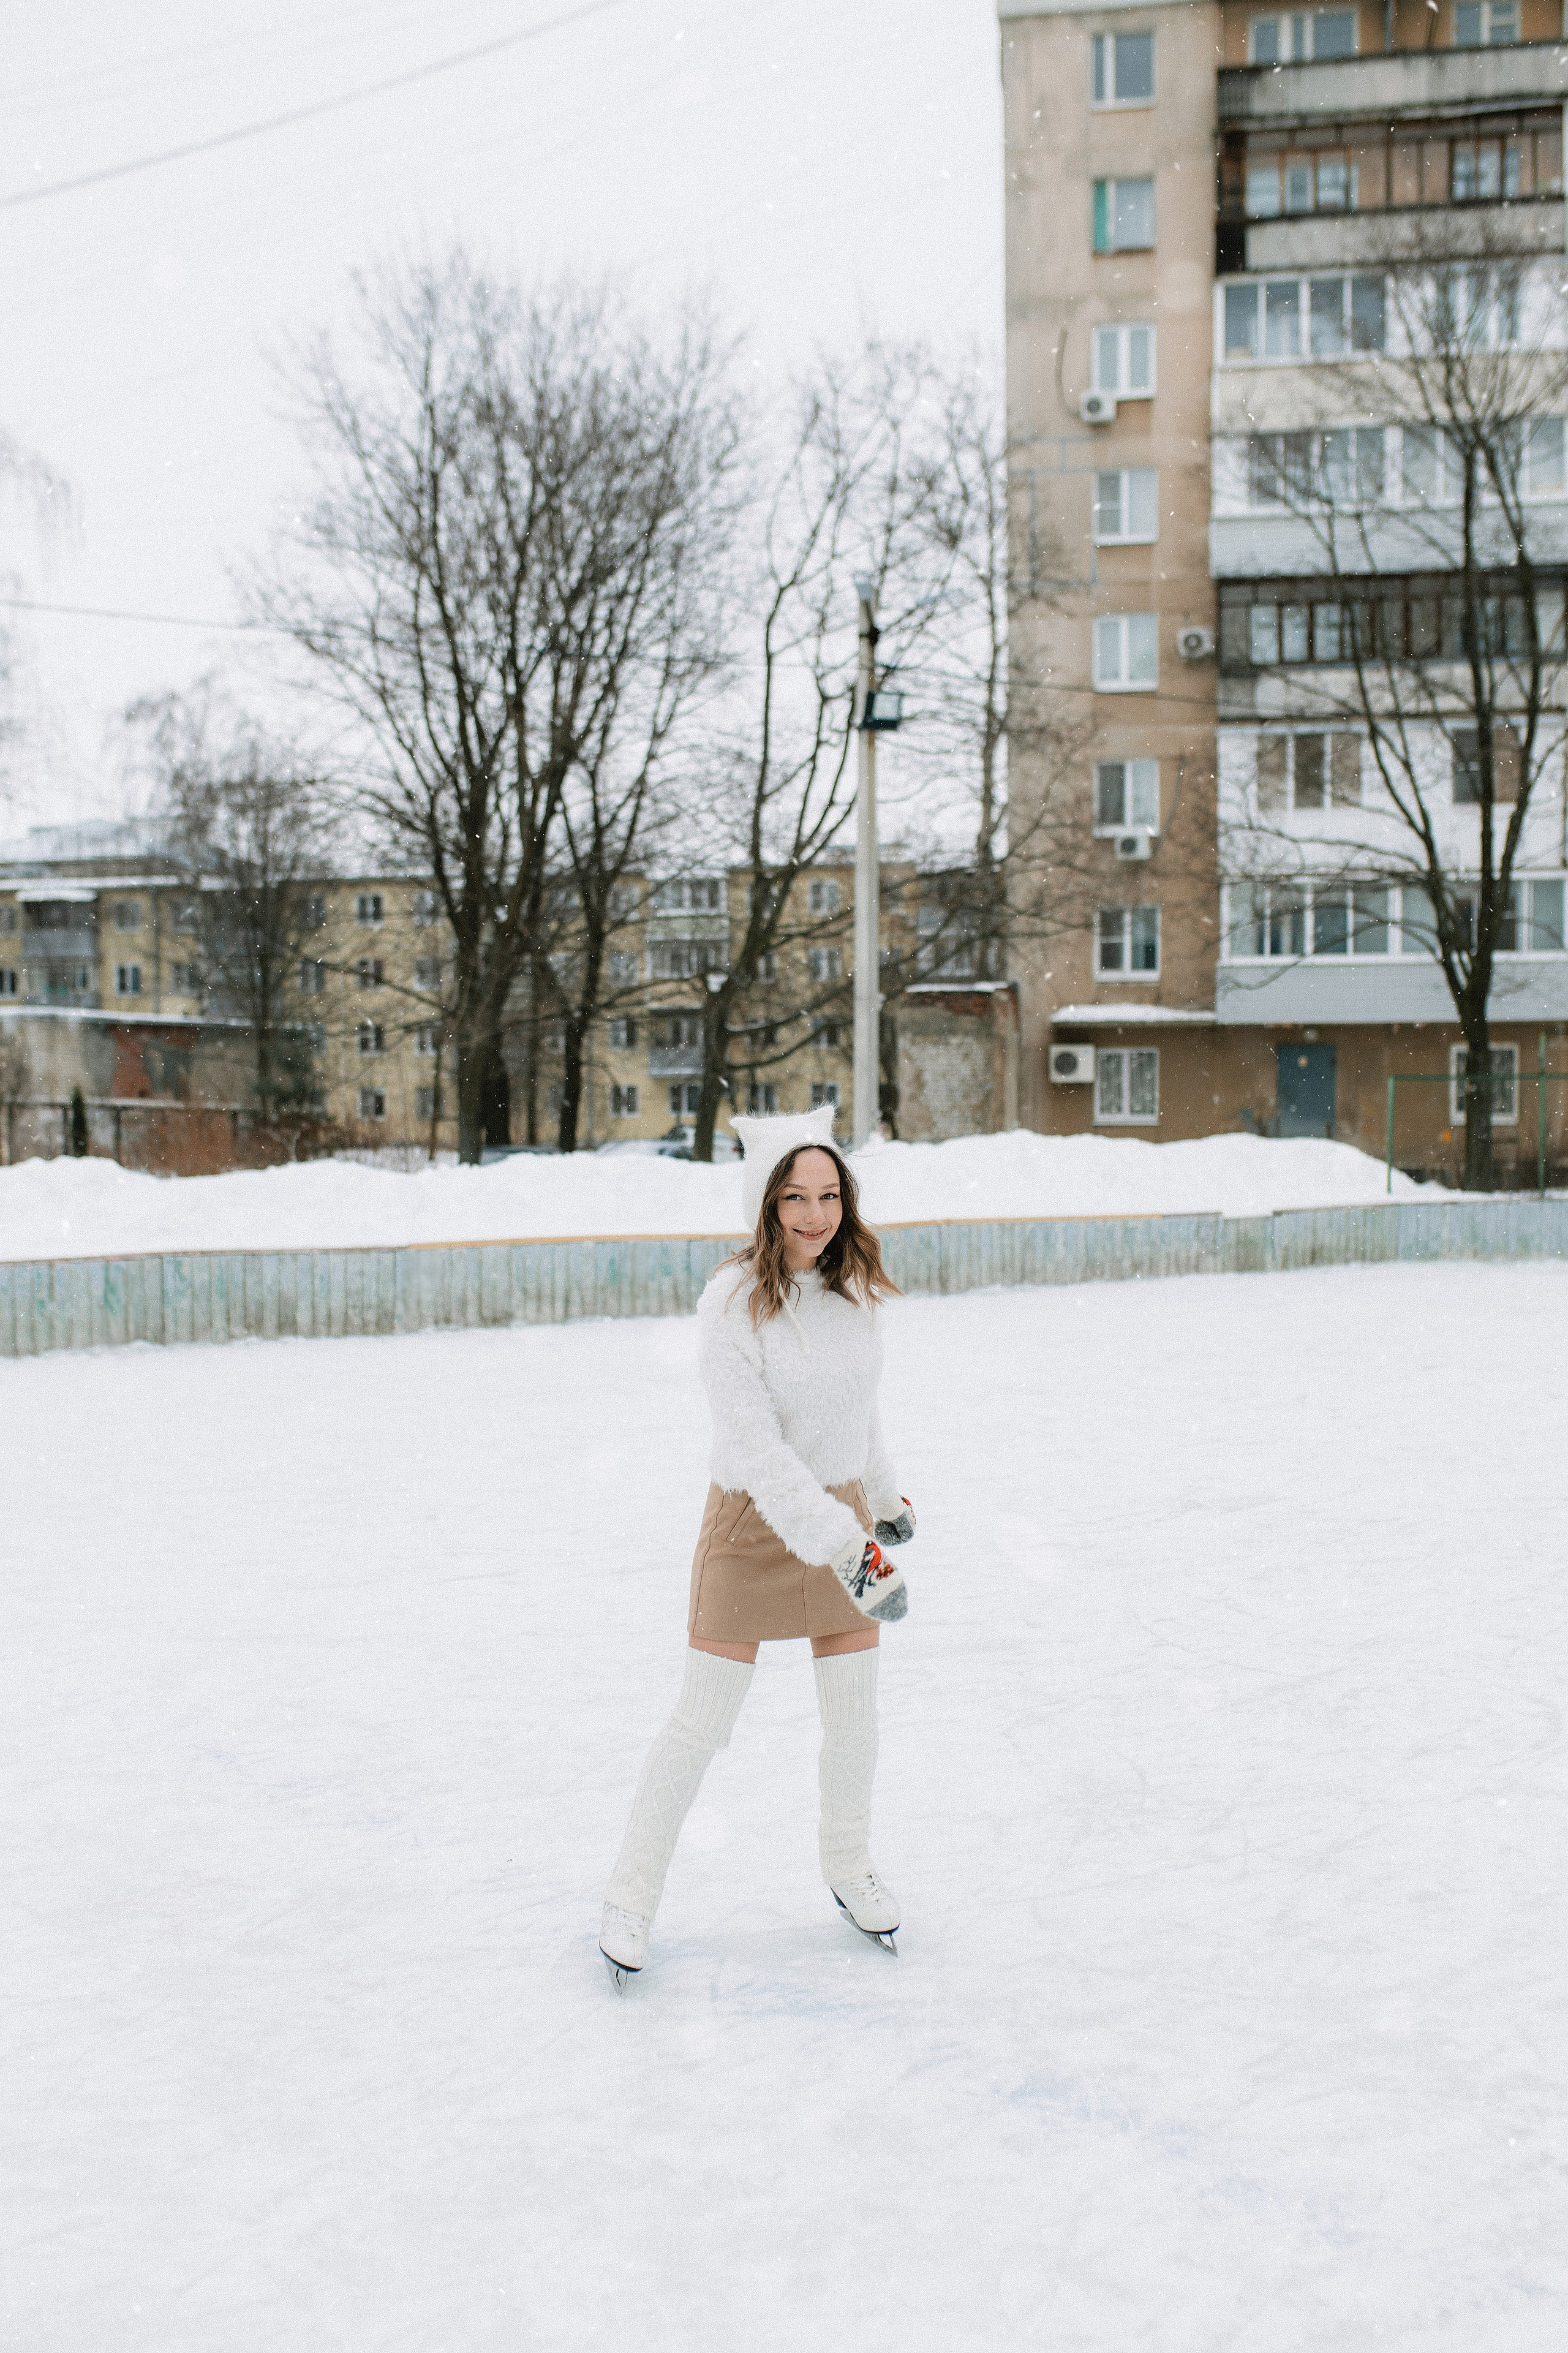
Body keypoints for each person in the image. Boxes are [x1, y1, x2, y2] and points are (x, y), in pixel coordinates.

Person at [598, 1103, 917, 1987]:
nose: (817, 1216)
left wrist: (882, 1500)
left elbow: (863, 1406)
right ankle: (630, 1893)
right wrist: (848, 1545)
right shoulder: (731, 1303)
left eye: (829, 1196)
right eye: (795, 1199)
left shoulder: (852, 1293)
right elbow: (759, 1454)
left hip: (845, 1517)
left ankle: (848, 1865)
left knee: (854, 1716)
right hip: (754, 1525)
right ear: (765, 1206)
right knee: (702, 1721)